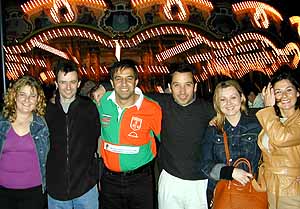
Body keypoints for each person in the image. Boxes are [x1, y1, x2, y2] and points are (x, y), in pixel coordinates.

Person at [147, 63, 214, 209]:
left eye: (188, 85)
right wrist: (105, 88)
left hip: (200, 181)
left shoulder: (209, 109)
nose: (182, 91)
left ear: (195, 87)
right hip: (170, 179)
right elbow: (129, 94)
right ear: (170, 88)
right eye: (177, 85)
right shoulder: (160, 103)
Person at [99, 59, 162, 209]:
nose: (124, 84)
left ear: (136, 81)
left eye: (129, 78)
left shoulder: (152, 108)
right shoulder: (102, 102)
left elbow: (166, 139)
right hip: (109, 180)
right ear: (112, 83)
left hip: (140, 180)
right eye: (118, 79)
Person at [45, 60, 100, 209]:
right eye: (63, 82)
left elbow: (98, 137)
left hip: (86, 187)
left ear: (78, 83)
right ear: (56, 83)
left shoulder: (89, 108)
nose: (68, 87)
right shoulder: (47, 110)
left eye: (72, 82)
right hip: (56, 188)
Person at [201, 80, 261, 207]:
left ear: (242, 97)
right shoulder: (213, 129)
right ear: (217, 103)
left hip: (252, 192)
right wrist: (230, 172)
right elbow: (205, 165)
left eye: (233, 97)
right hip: (222, 193)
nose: (229, 103)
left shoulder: (257, 125)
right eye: (223, 99)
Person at [0, 76, 49, 209]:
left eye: (32, 95)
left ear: (38, 99)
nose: (27, 100)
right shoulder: (2, 123)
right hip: (3, 193)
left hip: (34, 193)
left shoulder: (43, 124)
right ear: (14, 95)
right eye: (22, 94)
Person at [257, 68, 300, 209]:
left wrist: (268, 108)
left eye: (289, 90)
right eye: (278, 92)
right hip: (269, 188)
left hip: (292, 191)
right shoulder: (273, 119)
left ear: (297, 92)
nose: (284, 96)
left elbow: (281, 138)